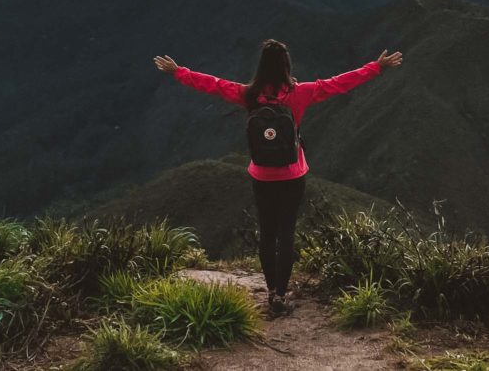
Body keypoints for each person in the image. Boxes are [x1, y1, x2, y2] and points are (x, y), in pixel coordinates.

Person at [153, 40, 403, 314]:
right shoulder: (302, 93)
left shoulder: (249, 95)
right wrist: (376, 67)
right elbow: (340, 83)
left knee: (267, 232)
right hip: (292, 173)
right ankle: (281, 295)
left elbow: (214, 84)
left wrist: (179, 72)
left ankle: (270, 289)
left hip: (261, 175)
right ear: (287, 66)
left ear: (261, 67)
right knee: (286, 233)